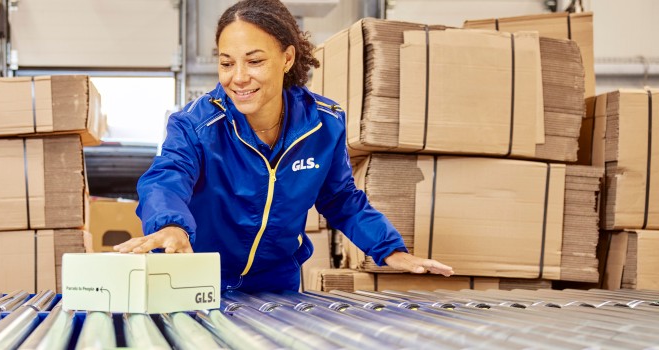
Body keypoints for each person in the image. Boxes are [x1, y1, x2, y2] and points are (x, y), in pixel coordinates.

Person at [115, 0, 453, 292]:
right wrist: (169, 224)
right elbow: (166, 177)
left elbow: (341, 200)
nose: (238, 77)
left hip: (275, 286)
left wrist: (390, 249)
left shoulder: (324, 124)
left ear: (287, 58)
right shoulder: (194, 125)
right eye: (226, 62)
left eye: (255, 61)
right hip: (196, 280)